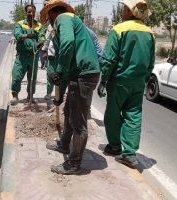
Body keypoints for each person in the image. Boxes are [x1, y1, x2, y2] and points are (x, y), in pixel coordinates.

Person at [40, 0, 101, 175]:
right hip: (79, 74)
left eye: (49, 20)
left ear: (52, 13)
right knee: (68, 109)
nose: (50, 24)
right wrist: (60, 87)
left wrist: (58, 70)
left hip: (84, 75)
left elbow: (67, 45)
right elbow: (67, 64)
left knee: (78, 121)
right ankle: (64, 144)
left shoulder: (63, 18)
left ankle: (74, 164)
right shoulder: (70, 21)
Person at [97, 0, 155, 168]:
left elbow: (109, 59)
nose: (122, 11)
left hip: (119, 81)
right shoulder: (150, 33)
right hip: (138, 82)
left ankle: (115, 146)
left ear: (129, 12)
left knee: (113, 114)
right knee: (134, 115)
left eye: (124, 8)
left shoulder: (119, 29)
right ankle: (130, 154)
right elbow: (151, 62)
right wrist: (144, 79)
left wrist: (104, 80)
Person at [10, 4, 45, 105]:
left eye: (33, 12)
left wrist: (40, 43)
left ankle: (30, 96)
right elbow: (17, 35)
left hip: (34, 56)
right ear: (26, 12)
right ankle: (15, 96)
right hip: (22, 56)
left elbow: (42, 37)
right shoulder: (20, 24)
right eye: (29, 12)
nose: (31, 14)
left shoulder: (39, 26)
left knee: (32, 78)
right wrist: (28, 35)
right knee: (16, 76)